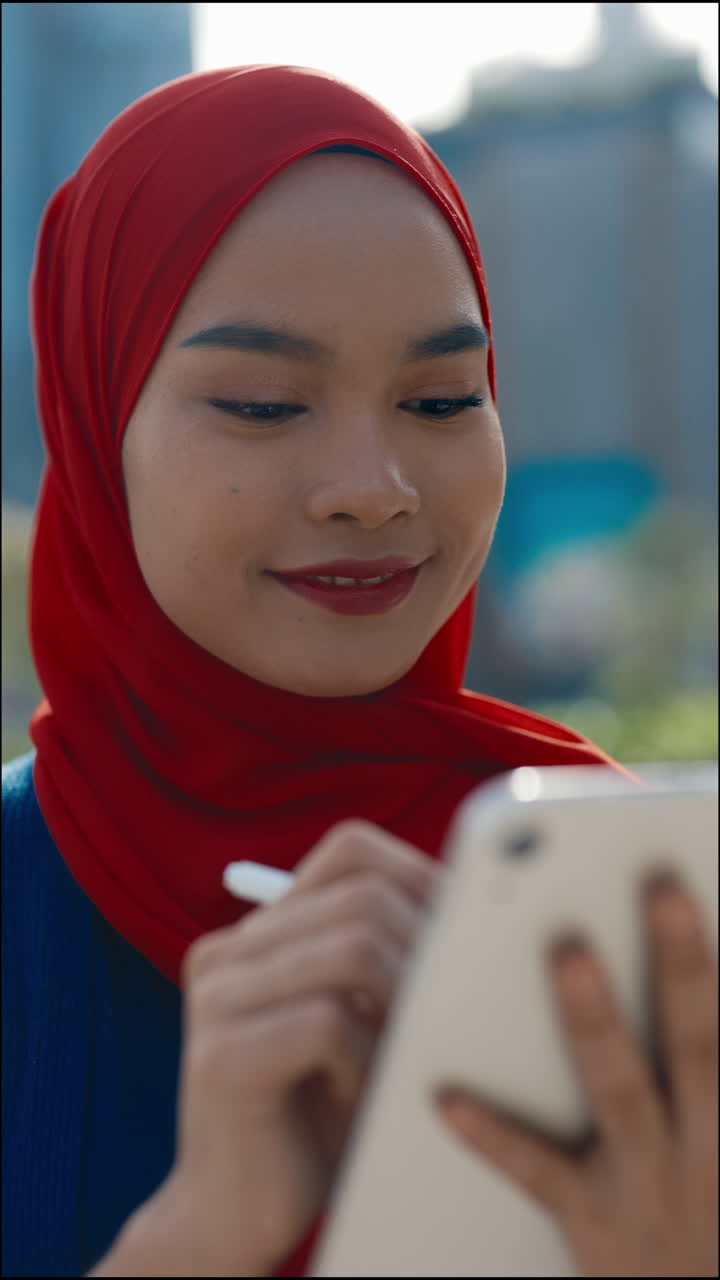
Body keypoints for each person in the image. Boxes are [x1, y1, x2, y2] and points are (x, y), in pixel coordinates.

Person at [1, 65, 716, 1279]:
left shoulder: (640, 915)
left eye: (441, 398)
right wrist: (194, 1239)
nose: (373, 487)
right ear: (93, 413)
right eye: (266, 403)